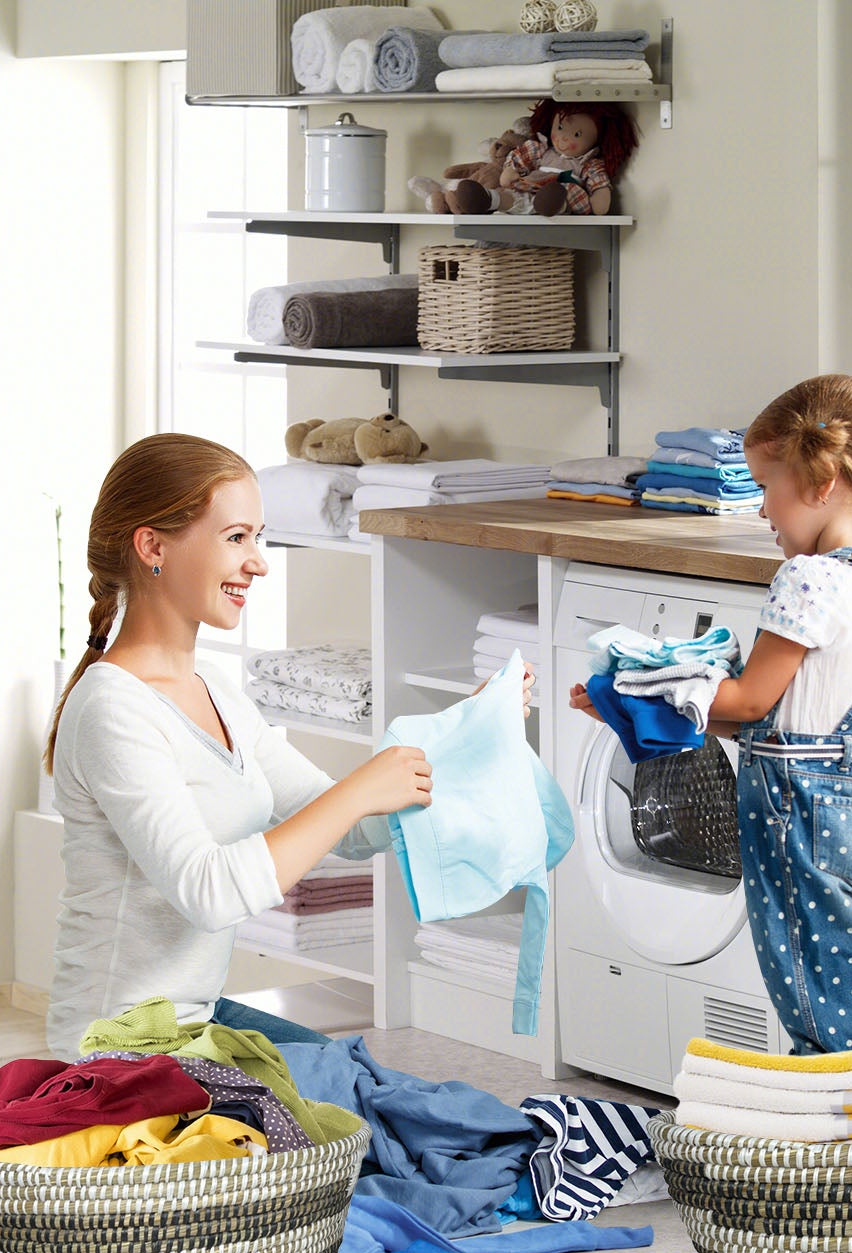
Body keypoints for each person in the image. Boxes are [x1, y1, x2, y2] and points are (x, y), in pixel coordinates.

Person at [42, 433, 525, 1060]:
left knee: (378, 1092)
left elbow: (352, 833)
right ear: (152, 546)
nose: (259, 563)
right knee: (378, 1119)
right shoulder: (115, 709)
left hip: (192, 1023)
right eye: (236, 538)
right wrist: (358, 791)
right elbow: (209, 892)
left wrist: (469, 737)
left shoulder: (212, 689)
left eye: (258, 537)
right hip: (117, 1049)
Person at [571, 375, 852, 1054]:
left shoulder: (808, 578)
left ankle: (832, 1141)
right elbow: (774, 719)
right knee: (844, 987)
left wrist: (633, 688)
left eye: (767, 487)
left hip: (798, 807)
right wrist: (629, 713)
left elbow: (751, 700)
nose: (762, 511)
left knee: (809, 1001)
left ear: (822, 481)